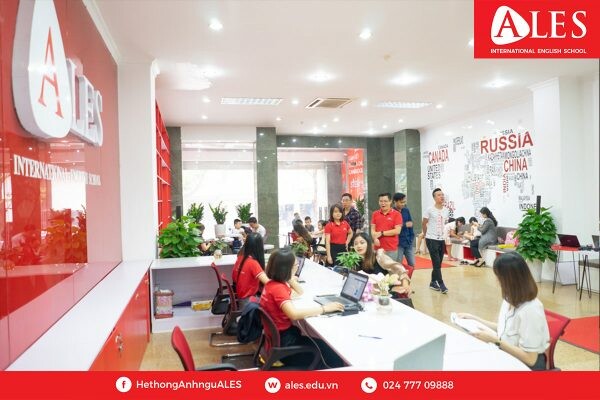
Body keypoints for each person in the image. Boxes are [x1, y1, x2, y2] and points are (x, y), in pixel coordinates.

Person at [456, 252, 550, 370]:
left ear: (508, 280)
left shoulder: (531, 310)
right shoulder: (509, 298)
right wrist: (474, 318)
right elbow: (504, 328)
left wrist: (496, 341)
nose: (496, 281)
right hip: (508, 353)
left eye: (498, 277)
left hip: (526, 365)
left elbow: (530, 359)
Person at [259, 248, 345, 368]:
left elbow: (299, 292)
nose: (297, 266)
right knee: (332, 356)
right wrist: (324, 309)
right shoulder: (278, 289)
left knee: (325, 347)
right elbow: (294, 314)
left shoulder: (272, 284)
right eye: (295, 265)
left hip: (279, 340)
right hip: (286, 345)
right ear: (286, 268)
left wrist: (288, 278)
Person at [352, 232, 410, 297]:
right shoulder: (355, 261)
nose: (359, 246)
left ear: (369, 244)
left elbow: (399, 269)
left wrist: (405, 284)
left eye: (362, 243)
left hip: (386, 293)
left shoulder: (379, 256)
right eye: (355, 244)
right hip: (368, 294)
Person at [422, 188, 449, 294]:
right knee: (436, 262)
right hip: (431, 239)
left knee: (438, 263)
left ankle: (433, 282)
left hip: (441, 239)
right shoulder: (429, 209)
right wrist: (425, 235)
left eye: (442, 195)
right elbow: (424, 223)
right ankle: (441, 284)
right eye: (439, 195)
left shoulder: (446, 210)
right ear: (434, 198)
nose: (441, 196)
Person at [232, 233, 268, 301]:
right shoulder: (252, 263)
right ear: (260, 247)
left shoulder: (240, 257)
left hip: (240, 296)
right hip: (248, 301)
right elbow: (269, 283)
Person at [370, 192, 402, 261]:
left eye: (385, 201)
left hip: (391, 249)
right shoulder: (375, 214)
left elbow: (397, 231)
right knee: (377, 267)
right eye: (381, 201)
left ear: (390, 201)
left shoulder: (397, 214)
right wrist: (375, 238)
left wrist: (382, 233)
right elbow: (372, 229)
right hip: (377, 249)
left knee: (390, 267)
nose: (383, 203)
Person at [392, 192, 415, 267]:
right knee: (398, 264)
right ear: (395, 201)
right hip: (398, 243)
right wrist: (405, 225)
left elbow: (410, 224)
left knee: (412, 264)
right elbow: (392, 227)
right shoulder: (391, 212)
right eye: (401, 202)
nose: (403, 204)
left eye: (404, 202)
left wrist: (411, 237)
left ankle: (407, 276)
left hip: (408, 241)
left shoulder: (406, 210)